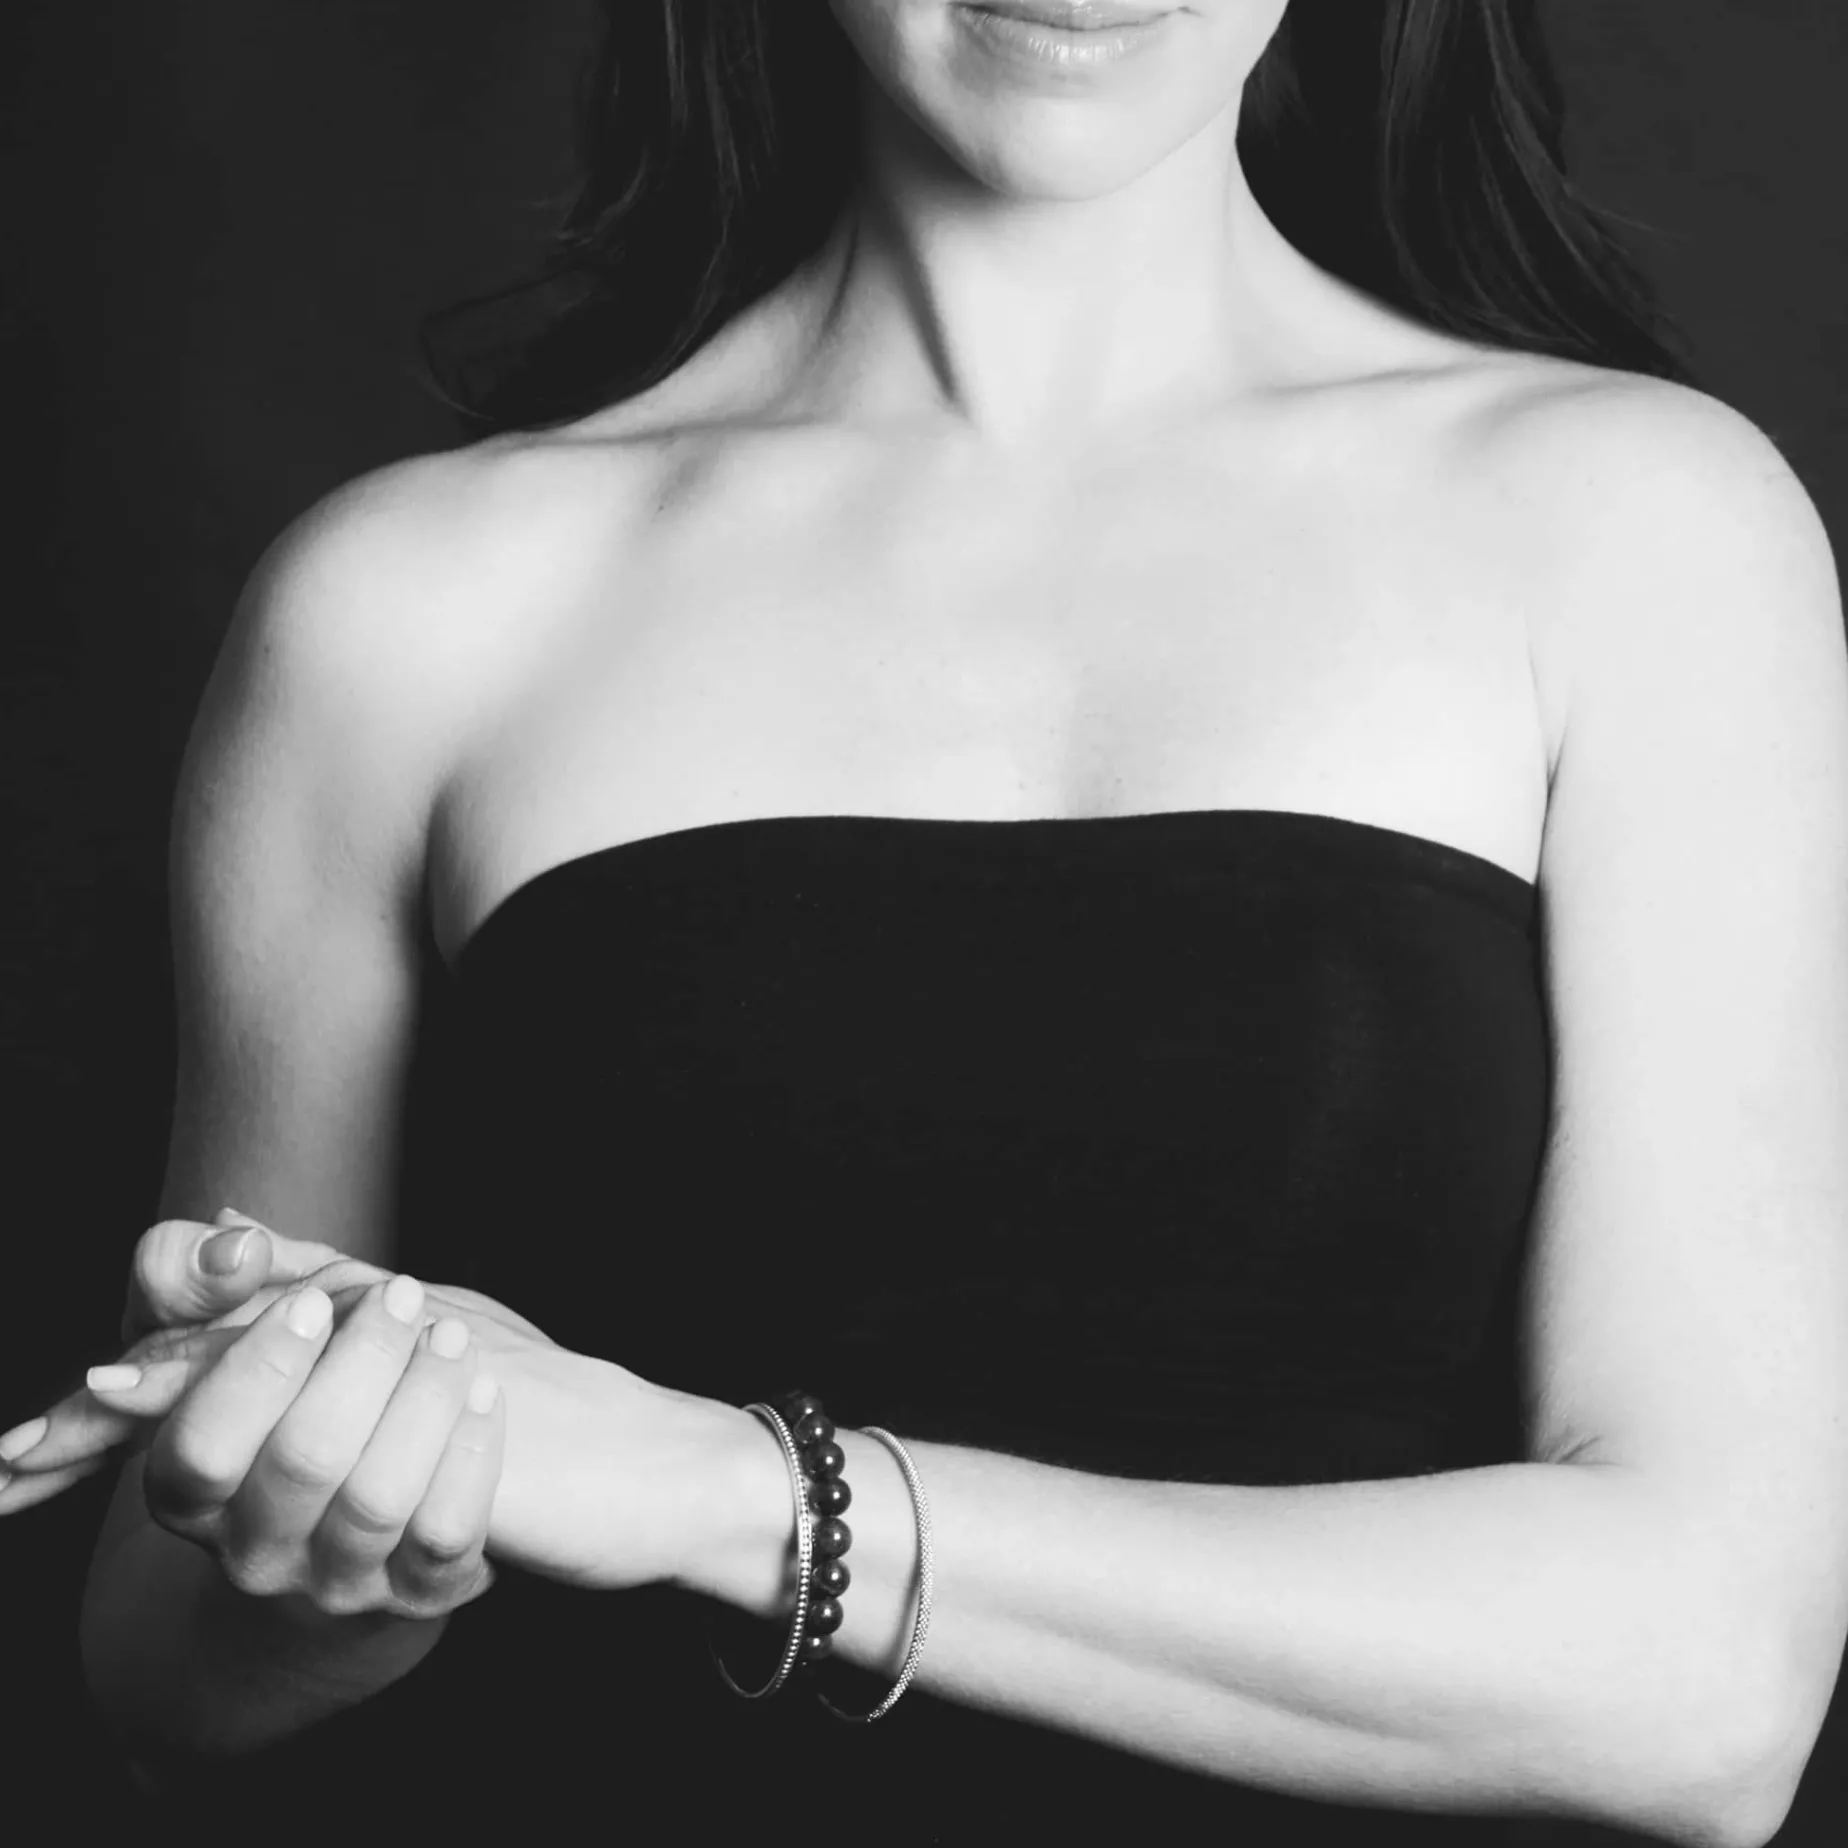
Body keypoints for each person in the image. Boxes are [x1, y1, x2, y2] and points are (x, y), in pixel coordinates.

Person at [3, 2, 1846, 1841]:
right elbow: (167, 1685)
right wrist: (354, 1528)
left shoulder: (1631, 529)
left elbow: (1708, 1683)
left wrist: (734, 1495)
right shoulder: (403, 609)